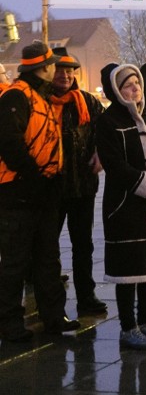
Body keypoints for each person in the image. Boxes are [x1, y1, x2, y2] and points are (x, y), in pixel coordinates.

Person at [0, 41, 80, 342]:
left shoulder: (37, 97)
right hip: (18, 192)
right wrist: (35, 179)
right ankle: (9, 323)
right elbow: (10, 144)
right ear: (43, 68)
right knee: (15, 262)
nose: (57, 70)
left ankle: (53, 317)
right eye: (53, 65)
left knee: (48, 258)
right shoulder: (17, 97)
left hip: (42, 190)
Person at [96, 63, 146, 350]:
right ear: (117, 91)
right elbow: (115, 164)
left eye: (137, 83)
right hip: (126, 205)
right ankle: (127, 327)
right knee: (129, 269)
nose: (135, 89)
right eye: (128, 85)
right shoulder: (108, 122)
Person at [50, 47, 108, 315]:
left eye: (70, 70)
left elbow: (105, 133)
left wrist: (101, 153)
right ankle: (52, 303)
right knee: (48, 248)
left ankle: (87, 296)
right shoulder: (40, 101)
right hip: (50, 187)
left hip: (83, 186)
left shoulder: (87, 101)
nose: (65, 75)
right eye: (60, 70)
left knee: (83, 244)